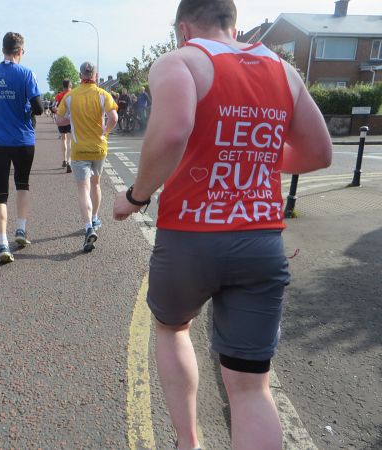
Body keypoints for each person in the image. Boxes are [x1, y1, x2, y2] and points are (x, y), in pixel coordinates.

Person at [112, 1, 333, 449]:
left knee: (173, 330)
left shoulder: (181, 61)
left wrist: (136, 196)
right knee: (252, 388)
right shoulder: (284, 71)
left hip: (190, 237)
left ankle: (188, 442)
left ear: (184, 26)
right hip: (259, 240)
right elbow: (319, 153)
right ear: (232, 23)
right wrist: (256, 159)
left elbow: (172, 132)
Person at [0, 31, 43, 264]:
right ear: (20, 51)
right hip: (23, 140)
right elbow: (40, 107)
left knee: (0, 193)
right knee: (23, 184)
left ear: (3, 49)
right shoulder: (26, 73)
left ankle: (2, 242)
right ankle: (21, 230)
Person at [56, 62, 118, 252]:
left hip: (79, 150)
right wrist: (105, 132)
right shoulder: (103, 94)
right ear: (95, 75)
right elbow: (113, 117)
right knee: (96, 184)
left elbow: (59, 120)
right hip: (98, 148)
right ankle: (95, 218)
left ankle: (88, 226)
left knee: (83, 188)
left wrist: (71, 118)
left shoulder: (70, 96)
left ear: (80, 74)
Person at [54, 79, 73, 173]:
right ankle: (69, 162)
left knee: (63, 139)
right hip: (70, 120)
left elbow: (54, 107)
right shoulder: (73, 94)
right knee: (70, 141)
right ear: (70, 85)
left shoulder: (59, 95)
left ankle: (64, 160)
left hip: (61, 119)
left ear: (63, 86)